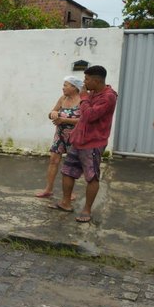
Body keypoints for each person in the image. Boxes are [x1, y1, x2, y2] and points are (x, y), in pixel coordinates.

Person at [52, 66, 118, 223]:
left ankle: (87, 210)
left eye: (87, 79)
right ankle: (65, 203)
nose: (84, 82)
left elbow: (89, 115)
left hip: (93, 143)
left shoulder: (108, 97)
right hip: (79, 140)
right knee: (68, 171)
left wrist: (83, 96)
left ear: (96, 81)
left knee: (92, 177)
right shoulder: (92, 93)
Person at [36, 76, 82, 201]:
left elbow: (84, 121)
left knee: (70, 165)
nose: (63, 87)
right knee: (53, 161)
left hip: (74, 137)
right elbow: (52, 112)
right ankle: (48, 189)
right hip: (60, 135)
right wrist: (53, 114)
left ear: (74, 87)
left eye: (66, 85)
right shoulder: (62, 98)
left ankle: (69, 193)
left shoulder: (82, 101)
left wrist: (64, 119)